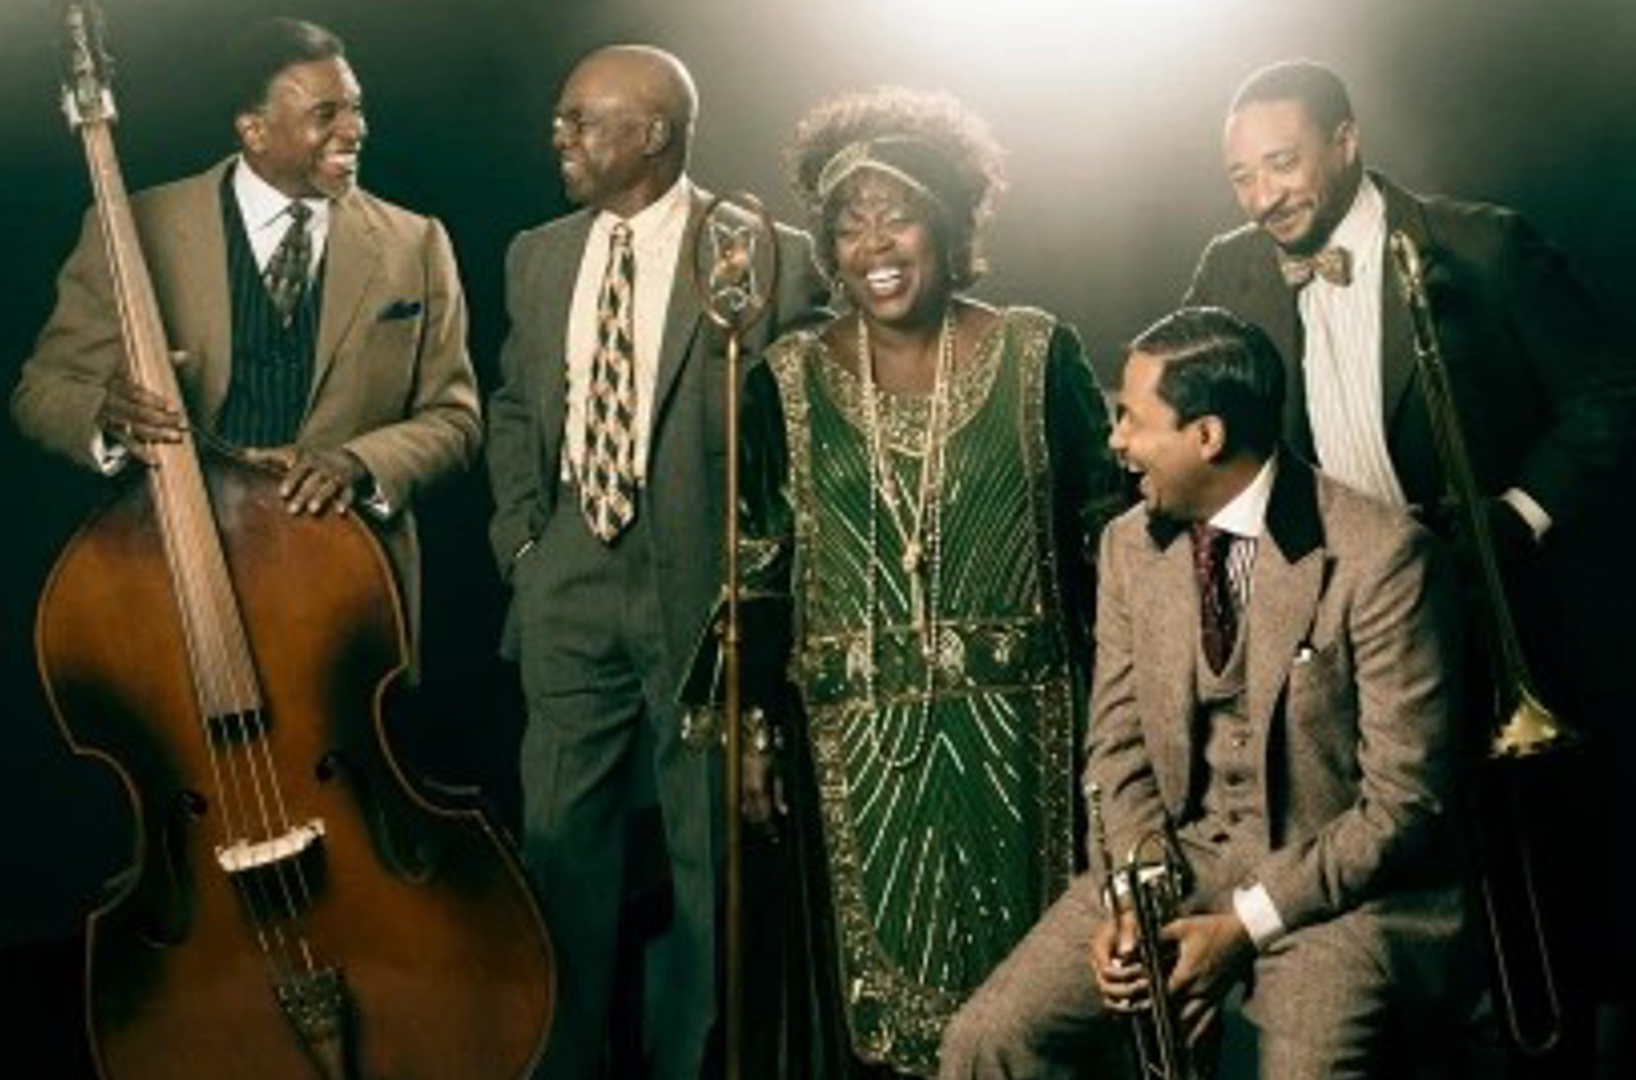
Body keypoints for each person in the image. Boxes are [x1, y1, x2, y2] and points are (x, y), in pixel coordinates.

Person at [1184, 58, 1636, 1073]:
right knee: (1375, 872)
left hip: (1483, 596)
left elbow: (1609, 393)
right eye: (1242, 176)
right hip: (1329, 627)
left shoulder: (1483, 244)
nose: (1264, 196)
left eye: (1284, 164)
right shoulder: (1230, 271)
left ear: (1348, 141)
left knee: (1518, 875)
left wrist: (1511, 520)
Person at [939, 307, 1469, 1079]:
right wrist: (1132, 899)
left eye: (1132, 418)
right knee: (984, 1044)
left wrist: (1243, 925)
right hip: (1176, 864)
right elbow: (1116, 748)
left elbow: (1402, 807)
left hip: (1338, 896)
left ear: (1208, 437)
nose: (1115, 441)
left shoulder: (1384, 558)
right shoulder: (1127, 547)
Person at [723, 88, 1124, 1078]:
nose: (874, 244)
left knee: (1041, 1005)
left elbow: (1110, 546)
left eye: (895, 213)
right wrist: (755, 729)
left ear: (948, 223)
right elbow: (760, 569)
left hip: (1034, 736)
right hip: (858, 751)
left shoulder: (1039, 351)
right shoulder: (782, 378)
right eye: (848, 223)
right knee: (876, 1025)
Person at [484, 44, 824, 1079]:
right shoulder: (538, 256)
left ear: (655, 134)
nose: (562, 138)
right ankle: (565, 1057)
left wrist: (761, 596)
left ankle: (693, 1062)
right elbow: (510, 407)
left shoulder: (763, 251)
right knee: (558, 847)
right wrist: (526, 545)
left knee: (706, 858)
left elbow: (802, 439)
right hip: (569, 578)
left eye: (583, 120)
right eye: (561, 119)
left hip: (704, 589)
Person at [12, 17, 480, 642]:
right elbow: (41, 391)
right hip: (172, 574)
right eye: (326, 114)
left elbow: (456, 419)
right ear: (254, 130)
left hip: (350, 582)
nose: (356, 130)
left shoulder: (416, 243)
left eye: (357, 109)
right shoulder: (130, 229)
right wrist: (107, 416)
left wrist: (357, 462)